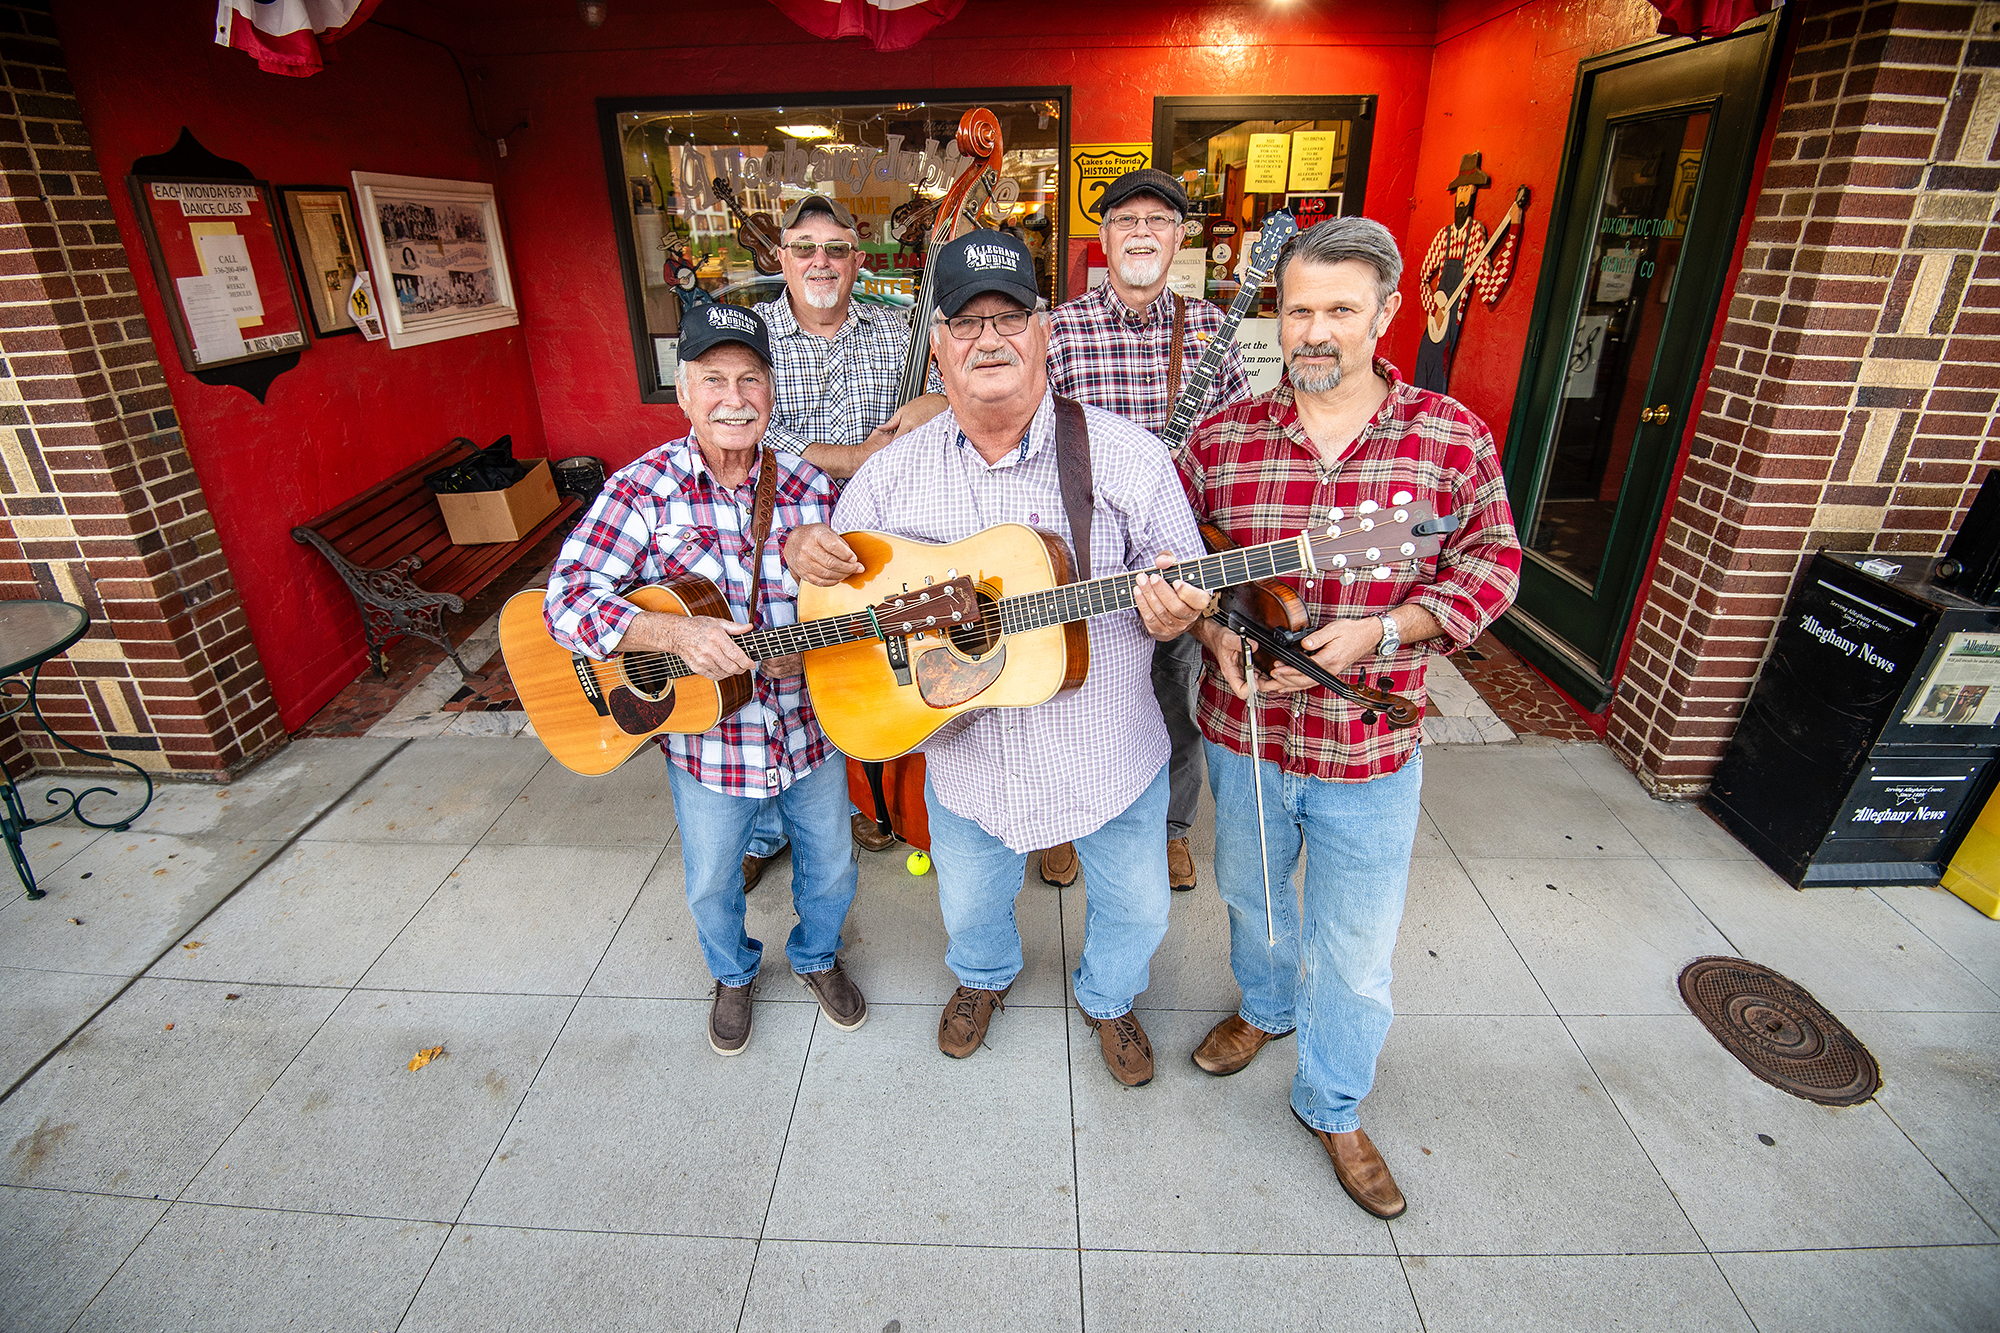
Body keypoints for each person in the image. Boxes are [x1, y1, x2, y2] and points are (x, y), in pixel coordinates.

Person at [784, 230, 1212, 1087]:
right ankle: (982, 979)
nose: (989, 338)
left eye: (1009, 317)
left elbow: (1188, 591)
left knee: (1134, 906)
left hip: (1104, 755)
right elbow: (842, 592)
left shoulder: (1127, 457)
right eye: (966, 320)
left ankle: (1111, 997)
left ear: (1044, 332)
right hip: (967, 759)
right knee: (970, 904)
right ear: (938, 344)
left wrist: (1178, 612)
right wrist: (808, 550)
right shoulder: (891, 475)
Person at [1180, 217, 1521, 1217]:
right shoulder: (1220, 441)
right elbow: (1183, 575)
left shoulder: (1448, 439)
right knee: (1250, 899)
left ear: (1384, 312)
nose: (1314, 329)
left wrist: (1387, 628)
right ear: (1275, 321)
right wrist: (1212, 640)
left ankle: (1332, 1100)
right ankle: (1263, 1006)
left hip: (1371, 741)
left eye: (1338, 308)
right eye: (1297, 310)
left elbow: (1489, 563)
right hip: (1245, 737)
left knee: (1359, 947)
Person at [544, 302, 867, 1057]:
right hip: (705, 746)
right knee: (711, 880)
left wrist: (809, 652)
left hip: (808, 730)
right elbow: (564, 603)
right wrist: (669, 632)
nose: (733, 397)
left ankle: (817, 955)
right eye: (713, 378)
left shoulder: (812, 491)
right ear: (683, 391)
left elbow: (855, 611)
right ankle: (731, 971)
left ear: (771, 391)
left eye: (750, 378)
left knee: (832, 864)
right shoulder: (641, 490)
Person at [1042, 167, 1253, 894]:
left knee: (1174, 695)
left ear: (1178, 238)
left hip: (1173, 555)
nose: (1140, 232)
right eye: (1125, 220)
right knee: (1068, 691)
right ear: (1103, 238)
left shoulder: (1210, 334)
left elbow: (1237, 446)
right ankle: (1065, 820)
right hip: (1084, 558)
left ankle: (1168, 828)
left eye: (1157, 221)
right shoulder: (1059, 330)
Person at [745, 192, 949, 878]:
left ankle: (869, 796)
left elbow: (949, 397)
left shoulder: (897, 331)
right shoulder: (752, 340)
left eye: (835, 249)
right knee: (775, 674)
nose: (820, 261)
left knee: (869, 669)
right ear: (782, 258)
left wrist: (921, 410)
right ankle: (763, 826)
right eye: (804, 248)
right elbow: (751, 433)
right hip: (781, 532)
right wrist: (862, 456)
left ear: (859, 261)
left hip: (880, 539)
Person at [1412, 153, 1520, 394]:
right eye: (1459, 190)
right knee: (1423, 359)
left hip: (1453, 320)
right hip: (1436, 315)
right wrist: (1434, 307)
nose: (1462, 196)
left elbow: (1490, 289)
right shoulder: (1443, 236)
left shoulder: (1475, 235)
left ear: (1473, 192)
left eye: (1467, 190)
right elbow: (1423, 277)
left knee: (1440, 368)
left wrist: (1513, 228)